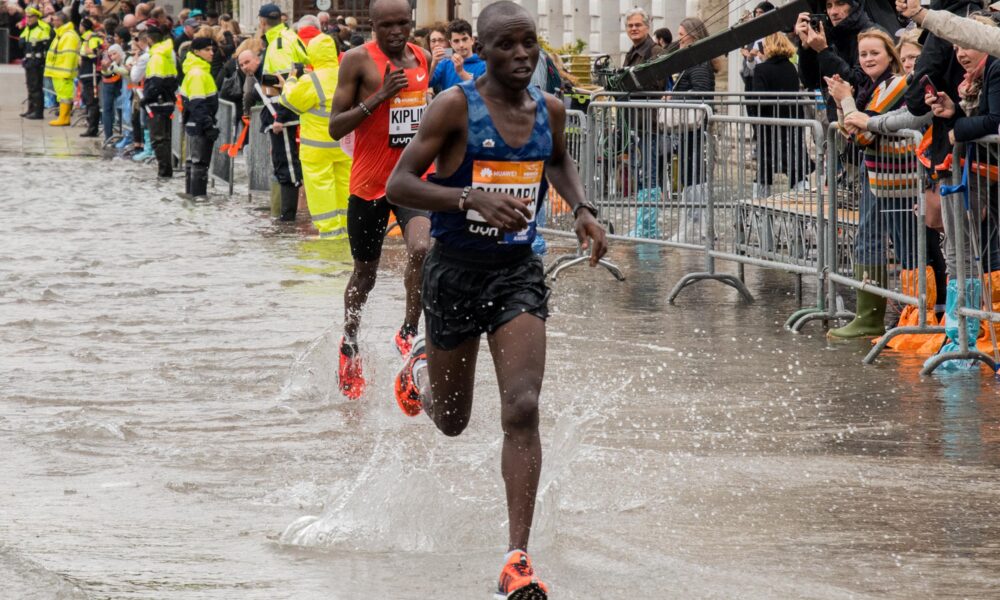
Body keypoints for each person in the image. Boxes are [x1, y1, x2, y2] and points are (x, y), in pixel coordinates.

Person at [385, 3, 607, 597]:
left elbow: (557, 160)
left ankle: (517, 559)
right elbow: (399, 182)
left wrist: (582, 209)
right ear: (481, 51)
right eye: (506, 45)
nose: (521, 55)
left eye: (529, 43)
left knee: (523, 406)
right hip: (454, 273)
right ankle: (420, 374)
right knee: (452, 422)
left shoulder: (549, 109)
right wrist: (468, 199)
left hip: (516, 273)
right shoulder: (454, 106)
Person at [327, 0, 433, 398]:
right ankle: (350, 342)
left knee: (422, 248)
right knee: (365, 275)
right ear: (372, 25)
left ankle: (408, 332)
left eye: (403, 23)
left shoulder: (422, 57)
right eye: (387, 25)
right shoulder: (357, 60)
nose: (396, 32)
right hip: (370, 184)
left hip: (410, 179)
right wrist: (379, 97)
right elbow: (335, 127)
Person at [825, 29, 921, 338]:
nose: (867, 59)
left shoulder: (895, 84)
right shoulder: (873, 88)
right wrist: (842, 103)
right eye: (863, 54)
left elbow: (864, 134)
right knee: (870, 240)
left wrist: (846, 100)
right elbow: (852, 131)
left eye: (874, 53)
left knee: (903, 246)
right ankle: (871, 316)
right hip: (880, 175)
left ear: (889, 56)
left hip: (898, 179)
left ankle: (908, 315)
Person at [278, 33, 353, 239]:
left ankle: (329, 232)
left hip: (317, 148)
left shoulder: (311, 80)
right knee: (344, 187)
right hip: (344, 145)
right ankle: (347, 232)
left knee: (321, 189)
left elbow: (290, 101)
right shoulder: (346, 75)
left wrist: (290, 80)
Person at [667, 16, 719, 243]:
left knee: (693, 176)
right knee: (691, 176)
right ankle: (697, 227)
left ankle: (695, 228)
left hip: (694, 128)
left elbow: (701, 93)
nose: (679, 40)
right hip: (690, 129)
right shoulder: (696, 61)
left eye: (681, 35)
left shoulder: (698, 63)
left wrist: (674, 98)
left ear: (693, 36)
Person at [258, 2, 309, 221]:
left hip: (283, 116)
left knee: (287, 164)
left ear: (262, 22)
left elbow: (286, 84)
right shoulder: (286, 37)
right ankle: (286, 217)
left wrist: (280, 117)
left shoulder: (279, 43)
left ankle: (288, 220)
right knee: (286, 163)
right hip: (284, 112)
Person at [795, 0, 879, 123]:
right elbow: (811, 81)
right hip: (838, 120)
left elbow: (856, 82)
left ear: (854, 6)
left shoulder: (871, 34)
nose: (833, 12)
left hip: (866, 120)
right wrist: (806, 48)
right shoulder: (831, 34)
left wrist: (823, 50)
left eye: (840, 3)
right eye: (829, 5)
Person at [752, 32, 811, 197]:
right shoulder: (791, 68)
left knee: (765, 166)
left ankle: (760, 206)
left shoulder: (761, 69)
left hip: (768, 125)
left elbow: (757, 99)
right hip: (791, 122)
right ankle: (803, 201)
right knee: (795, 164)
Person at [180, 37, 219, 198]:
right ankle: (198, 200)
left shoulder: (196, 70)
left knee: (193, 162)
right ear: (196, 52)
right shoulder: (197, 73)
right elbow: (198, 104)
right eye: (207, 50)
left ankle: (191, 200)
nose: (212, 53)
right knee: (199, 164)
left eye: (212, 49)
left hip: (194, 123)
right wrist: (208, 126)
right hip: (199, 124)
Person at [140, 21, 179, 178]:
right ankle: (166, 170)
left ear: (149, 39)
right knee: (165, 139)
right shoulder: (167, 55)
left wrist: (146, 98)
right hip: (167, 101)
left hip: (158, 103)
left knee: (158, 139)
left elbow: (156, 83)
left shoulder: (156, 57)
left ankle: (164, 172)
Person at [44, 10, 80, 127]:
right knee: (62, 95)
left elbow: (69, 55)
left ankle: (64, 118)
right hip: (58, 71)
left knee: (65, 95)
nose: (52, 22)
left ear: (60, 21)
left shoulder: (68, 36)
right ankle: (63, 117)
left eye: (54, 20)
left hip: (63, 72)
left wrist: (66, 73)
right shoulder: (61, 34)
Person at [429, 19, 485, 93]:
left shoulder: (484, 65)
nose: (461, 45)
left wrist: (461, 72)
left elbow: (483, 92)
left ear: (472, 40)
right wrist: (433, 63)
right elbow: (427, 83)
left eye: (464, 39)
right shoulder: (445, 63)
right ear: (451, 44)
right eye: (456, 41)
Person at [19, 7, 52, 121]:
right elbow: (21, 43)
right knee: (30, 86)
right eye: (27, 16)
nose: (28, 18)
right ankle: (31, 109)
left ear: (37, 17)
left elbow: (46, 44)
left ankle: (38, 112)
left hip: (37, 61)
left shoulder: (42, 28)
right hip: (29, 61)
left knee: (36, 87)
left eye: (30, 16)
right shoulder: (28, 28)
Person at [77, 17, 104, 138]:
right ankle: (90, 125)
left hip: (91, 74)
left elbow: (93, 54)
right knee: (87, 100)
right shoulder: (86, 38)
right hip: (86, 74)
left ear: (83, 26)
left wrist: (88, 42)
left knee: (91, 101)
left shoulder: (92, 38)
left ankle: (93, 129)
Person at [99, 43, 128, 143]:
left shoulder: (126, 58)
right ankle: (108, 136)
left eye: (114, 54)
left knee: (122, 109)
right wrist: (104, 69)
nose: (112, 57)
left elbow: (125, 71)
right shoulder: (109, 58)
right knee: (107, 109)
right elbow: (107, 72)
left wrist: (113, 67)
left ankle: (124, 135)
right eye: (110, 55)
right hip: (108, 84)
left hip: (121, 85)